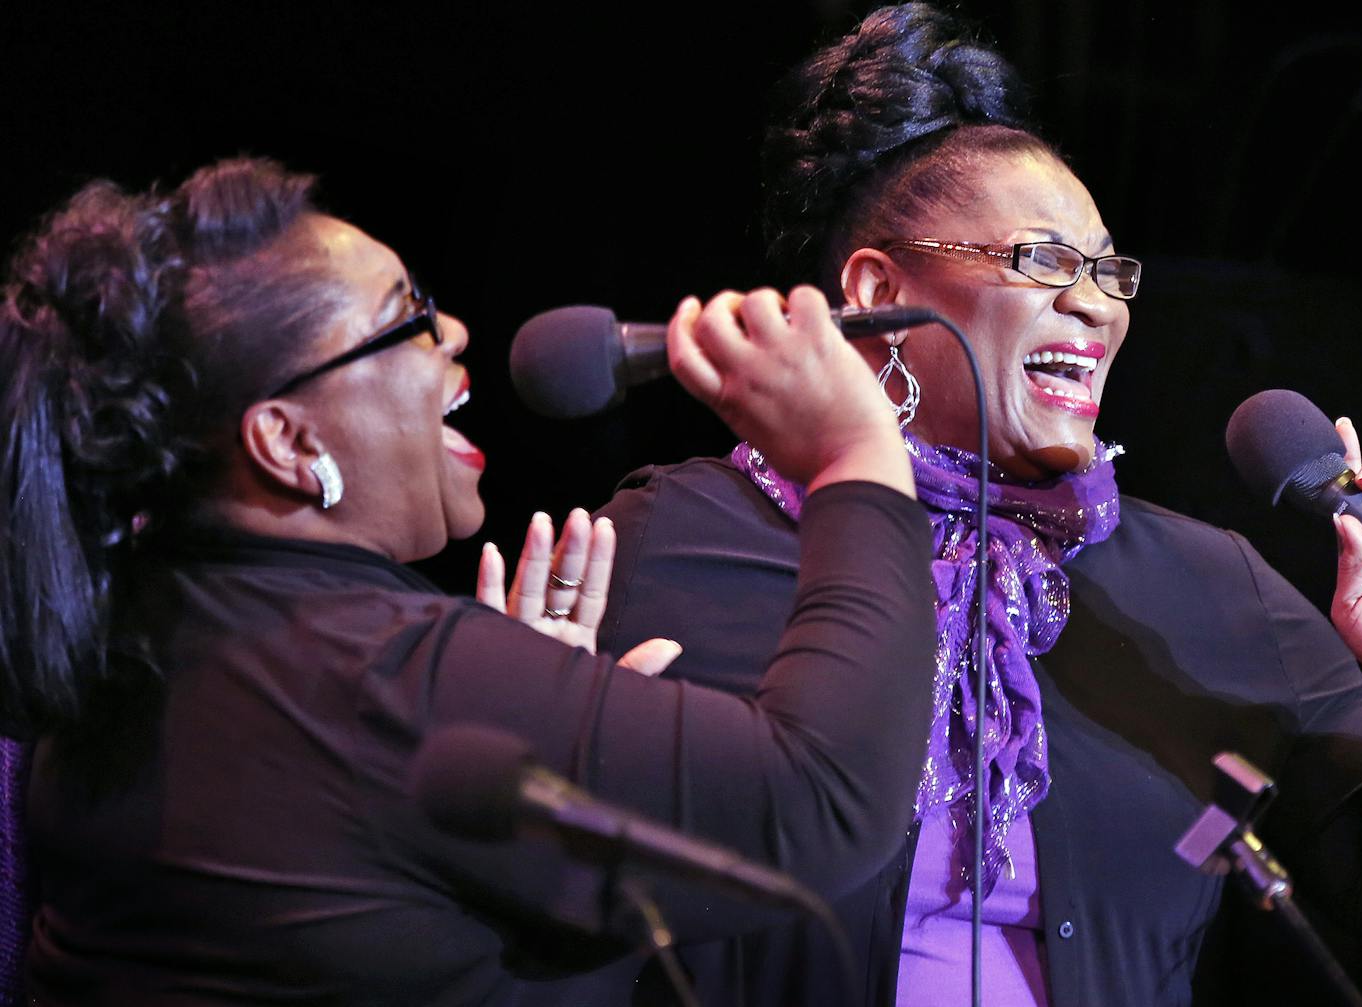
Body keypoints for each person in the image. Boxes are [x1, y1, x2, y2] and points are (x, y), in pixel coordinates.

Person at [595, 5, 1362, 1004]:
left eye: (1108, 270)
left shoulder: (1210, 592)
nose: (1094, 303)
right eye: (1041, 261)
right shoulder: (683, 544)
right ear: (874, 292)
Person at [0, 157, 941, 1004]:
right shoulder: (387, 678)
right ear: (288, 440)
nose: (451, 331)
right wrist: (853, 455)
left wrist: (529, 705)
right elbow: (826, 801)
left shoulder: (134, 643)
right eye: (404, 318)